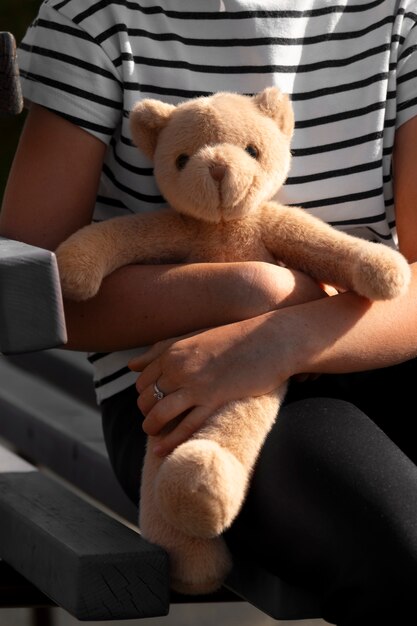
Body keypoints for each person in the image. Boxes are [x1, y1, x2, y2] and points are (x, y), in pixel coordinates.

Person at [1, 1, 417, 624]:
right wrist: (246, 290)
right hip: (186, 396)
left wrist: (283, 334)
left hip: (381, 347)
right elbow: (23, 293)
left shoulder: (398, 18)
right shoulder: (99, 20)